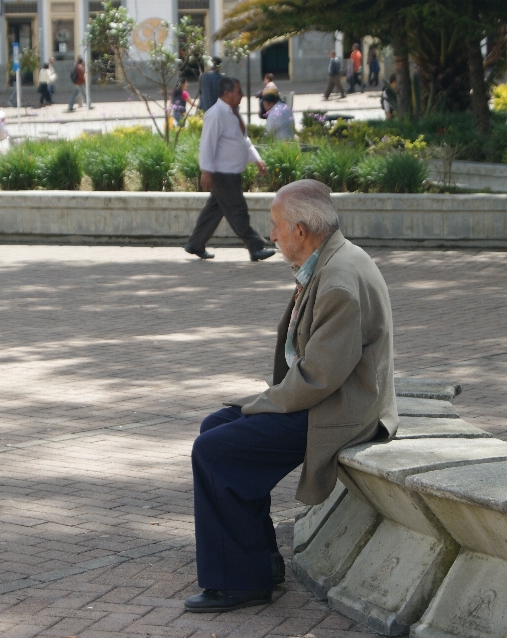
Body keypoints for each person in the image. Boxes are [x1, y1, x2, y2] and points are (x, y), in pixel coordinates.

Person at [184, 178, 398, 613]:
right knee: (216, 429)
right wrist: (257, 405)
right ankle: (259, 558)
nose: (272, 235)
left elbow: (319, 377)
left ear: (301, 230)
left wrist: (259, 404)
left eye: (276, 225)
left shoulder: (339, 278)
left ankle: (241, 582)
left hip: (343, 410)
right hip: (328, 397)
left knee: (215, 449)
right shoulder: (329, 259)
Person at [184, 77, 275, 262]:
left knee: (214, 210)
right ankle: (255, 246)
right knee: (237, 210)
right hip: (222, 174)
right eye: (238, 92)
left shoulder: (233, 113)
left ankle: (196, 243)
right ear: (227, 94)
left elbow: (242, 140)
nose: (241, 95)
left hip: (230, 172)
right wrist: (206, 172)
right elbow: (207, 144)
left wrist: (256, 159)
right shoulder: (215, 114)